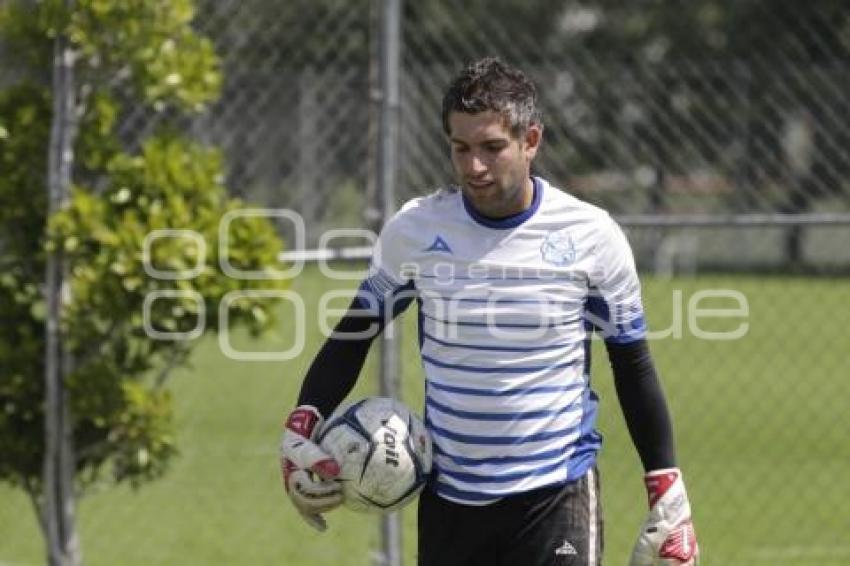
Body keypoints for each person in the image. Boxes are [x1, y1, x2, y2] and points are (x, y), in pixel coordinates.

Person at [280, 57, 699, 566]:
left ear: (531, 141)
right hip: (450, 501)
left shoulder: (592, 236)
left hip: (556, 497)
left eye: (492, 147)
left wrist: (668, 492)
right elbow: (353, 334)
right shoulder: (415, 231)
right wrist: (299, 428)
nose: (474, 167)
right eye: (461, 148)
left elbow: (632, 365)